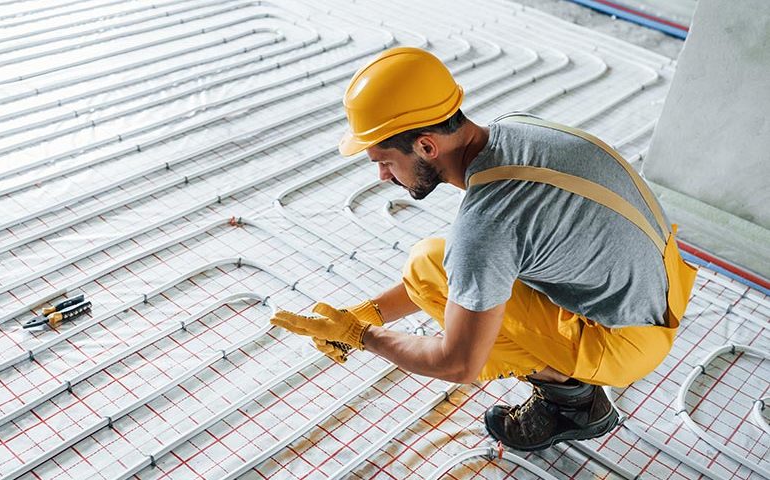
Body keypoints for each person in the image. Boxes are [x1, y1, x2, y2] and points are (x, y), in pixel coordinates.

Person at [270, 47, 697, 451]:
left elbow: (457, 363)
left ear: (426, 146)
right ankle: (573, 384)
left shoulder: (485, 228)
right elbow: (466, 269)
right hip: (661, 287)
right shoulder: (517, 128)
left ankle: (572, 403)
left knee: (453, 277)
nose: (383, 175)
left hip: (626, 341)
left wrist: (361, 336)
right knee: (433, 263)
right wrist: (367, 312)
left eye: (384, 160)